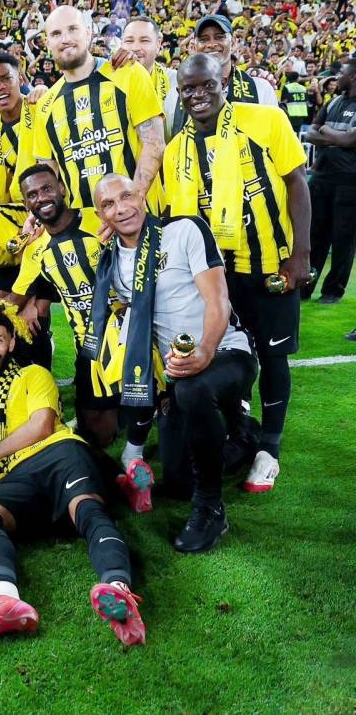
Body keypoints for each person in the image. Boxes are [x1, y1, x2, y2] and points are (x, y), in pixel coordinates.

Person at [0, 300, 145, 647]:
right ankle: (4, 599)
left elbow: (41, 426)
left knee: (86, 508)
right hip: (17, 471)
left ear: (11, 342)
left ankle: (118, 588)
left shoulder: (33, 374)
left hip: (57, 452)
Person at [163, 53, 310, 493]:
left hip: (268, 267)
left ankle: (270, 449)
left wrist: (300, 254)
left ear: (222, 82)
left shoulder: (265, 120)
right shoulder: (176, 151)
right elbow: (178, 221)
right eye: (188, 89)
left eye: (206, 85)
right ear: (179, 94)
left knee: (273, 356)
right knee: (226, 356)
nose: (198, 95)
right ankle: (241, 430)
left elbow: (297, 182)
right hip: (215, 279)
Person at [91, 174, 257, 552]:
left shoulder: (184, 230)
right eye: (109, 204)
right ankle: (243, 434)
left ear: (142, 196)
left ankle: (211, 509)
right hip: (177, 374)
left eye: (127, 196)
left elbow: (218, 300)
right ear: (101, 216)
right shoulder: (113, 262)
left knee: (194, 389)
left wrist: (205, 351)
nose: (121, 208)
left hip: (227, 351)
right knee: (180, 480)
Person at [12, 165, 155, 488]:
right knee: (98, 436)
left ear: (62, 188)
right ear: (26, 204)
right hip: (89, 348)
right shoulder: (35, 249)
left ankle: (152, 408)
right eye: (32, 195)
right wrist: (32, 304)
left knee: (168, 410)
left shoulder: (99, 219)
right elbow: (19, 294)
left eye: (47, 189)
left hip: (139, 337)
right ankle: (123, 414)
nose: (41, 198)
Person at [34, 6, 165, 210]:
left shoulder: (129, 73)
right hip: (84, 224)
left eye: (73, 29)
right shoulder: (45, 105)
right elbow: (48, 173)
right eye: (56, 34)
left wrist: (132, 202)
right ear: (48, 42)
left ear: (88, 33)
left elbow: (154, 143)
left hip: (139, 216)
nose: (65, 39)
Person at [166, 14, 279, 135]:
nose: (211, 44)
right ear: (194, 46)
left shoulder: (260, 90)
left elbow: (275, 140)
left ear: (233, 42)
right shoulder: (175, 97)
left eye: (219, 37)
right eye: (204, 39)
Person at [305, 61, 356, 304]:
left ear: (353, 76)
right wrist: (336, 138)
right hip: (322, 177)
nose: (337, 78)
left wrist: (325, 132)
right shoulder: (333, 102)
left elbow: (351, 141)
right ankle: (306, 286)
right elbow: (310, 133)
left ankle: (333, 291)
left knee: (343, 238)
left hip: (349, 181)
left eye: (341, 73)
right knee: (315, 235)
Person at [0, 52, 37, 203]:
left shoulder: (40, 109)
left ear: (20, 79)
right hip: (17, 207)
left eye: (6, 78)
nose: (0, 87)